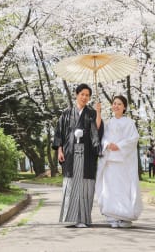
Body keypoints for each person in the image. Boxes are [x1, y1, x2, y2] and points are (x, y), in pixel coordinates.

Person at [52, 83, 102, 228]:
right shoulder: (66, 113)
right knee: (71, 183)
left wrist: (98, 112)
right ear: (76, 94)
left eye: (87, 95)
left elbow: (96, 130)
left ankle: (83, 219)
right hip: (70, 153)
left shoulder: (92, 113)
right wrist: (60, 150)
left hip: (87, 155)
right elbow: (59, 133)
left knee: (85, 186)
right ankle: (71, 218)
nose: (85, 97)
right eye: (82, 94)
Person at [95, 95, 142, 228]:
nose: (116, 106)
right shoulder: (108, 123)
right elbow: (102, 138)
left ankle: (125, 216)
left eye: (119, 104)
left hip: (123, 162)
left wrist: (120, 145)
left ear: (124, 107)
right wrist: (107, 144)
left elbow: (133, 139)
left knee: (123, 188)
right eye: (114, 103)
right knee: (111, 188)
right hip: (110, 161)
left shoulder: (129, 123)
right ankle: (112, 216)